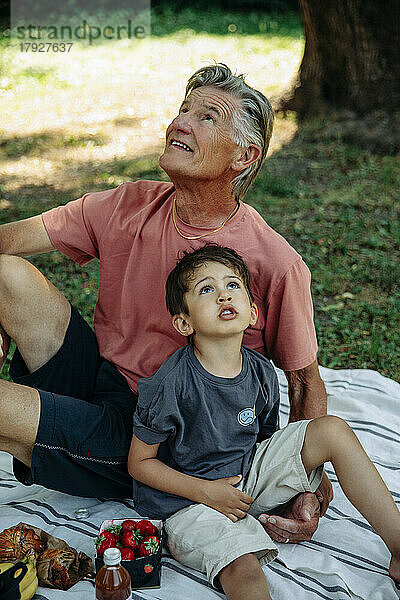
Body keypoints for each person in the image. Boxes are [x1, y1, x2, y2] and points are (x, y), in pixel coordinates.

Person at [0, 63, 328, 543]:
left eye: (208, 117)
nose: (181, 123)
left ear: (244, 156)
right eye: (182, 110)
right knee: (6, 271)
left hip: (161, 440)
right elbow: (11, 238)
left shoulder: (276, 263)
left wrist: (308, 484)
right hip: (103, 378)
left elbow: (304, 384)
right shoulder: (130, 203)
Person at [128, 244, 400, 600]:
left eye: (232, 286)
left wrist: (295, 487)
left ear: (253, 312)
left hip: (244, 478)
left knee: (332, 429)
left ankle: (398, 545)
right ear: (184, 322)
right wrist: (206, 492)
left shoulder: (260, 371)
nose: (223, 294)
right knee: (245, 570)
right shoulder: (171, 383)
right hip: (189, 501)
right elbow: (139, 463)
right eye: (206, 289)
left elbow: (268, 442)